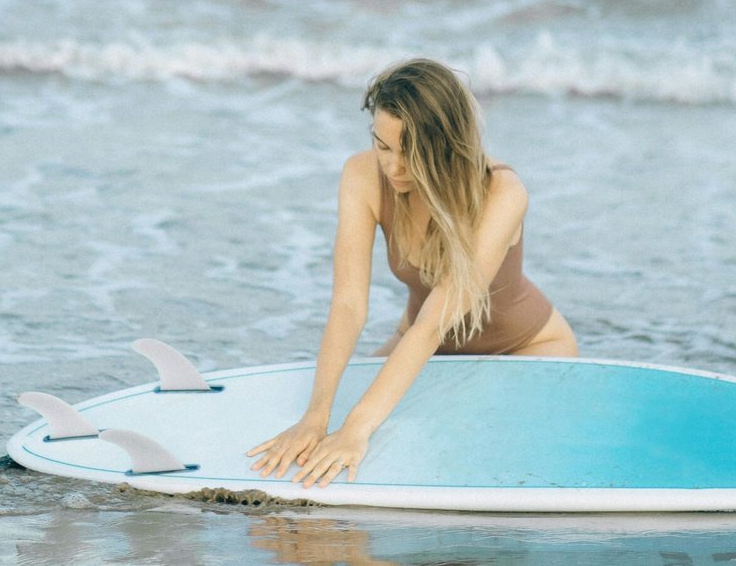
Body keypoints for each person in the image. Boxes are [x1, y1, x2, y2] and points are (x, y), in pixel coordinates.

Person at [245, 58, 577, 489]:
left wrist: (356, 430)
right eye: (383, 146)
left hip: (523, 349)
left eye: (412, 152)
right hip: (418, 345)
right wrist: (316, 417)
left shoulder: (501, 192)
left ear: (446, 144)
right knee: (343, 421)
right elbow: (349, 303)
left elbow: (433, 324)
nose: (394, 166)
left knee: (414, 441)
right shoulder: (361, 175)